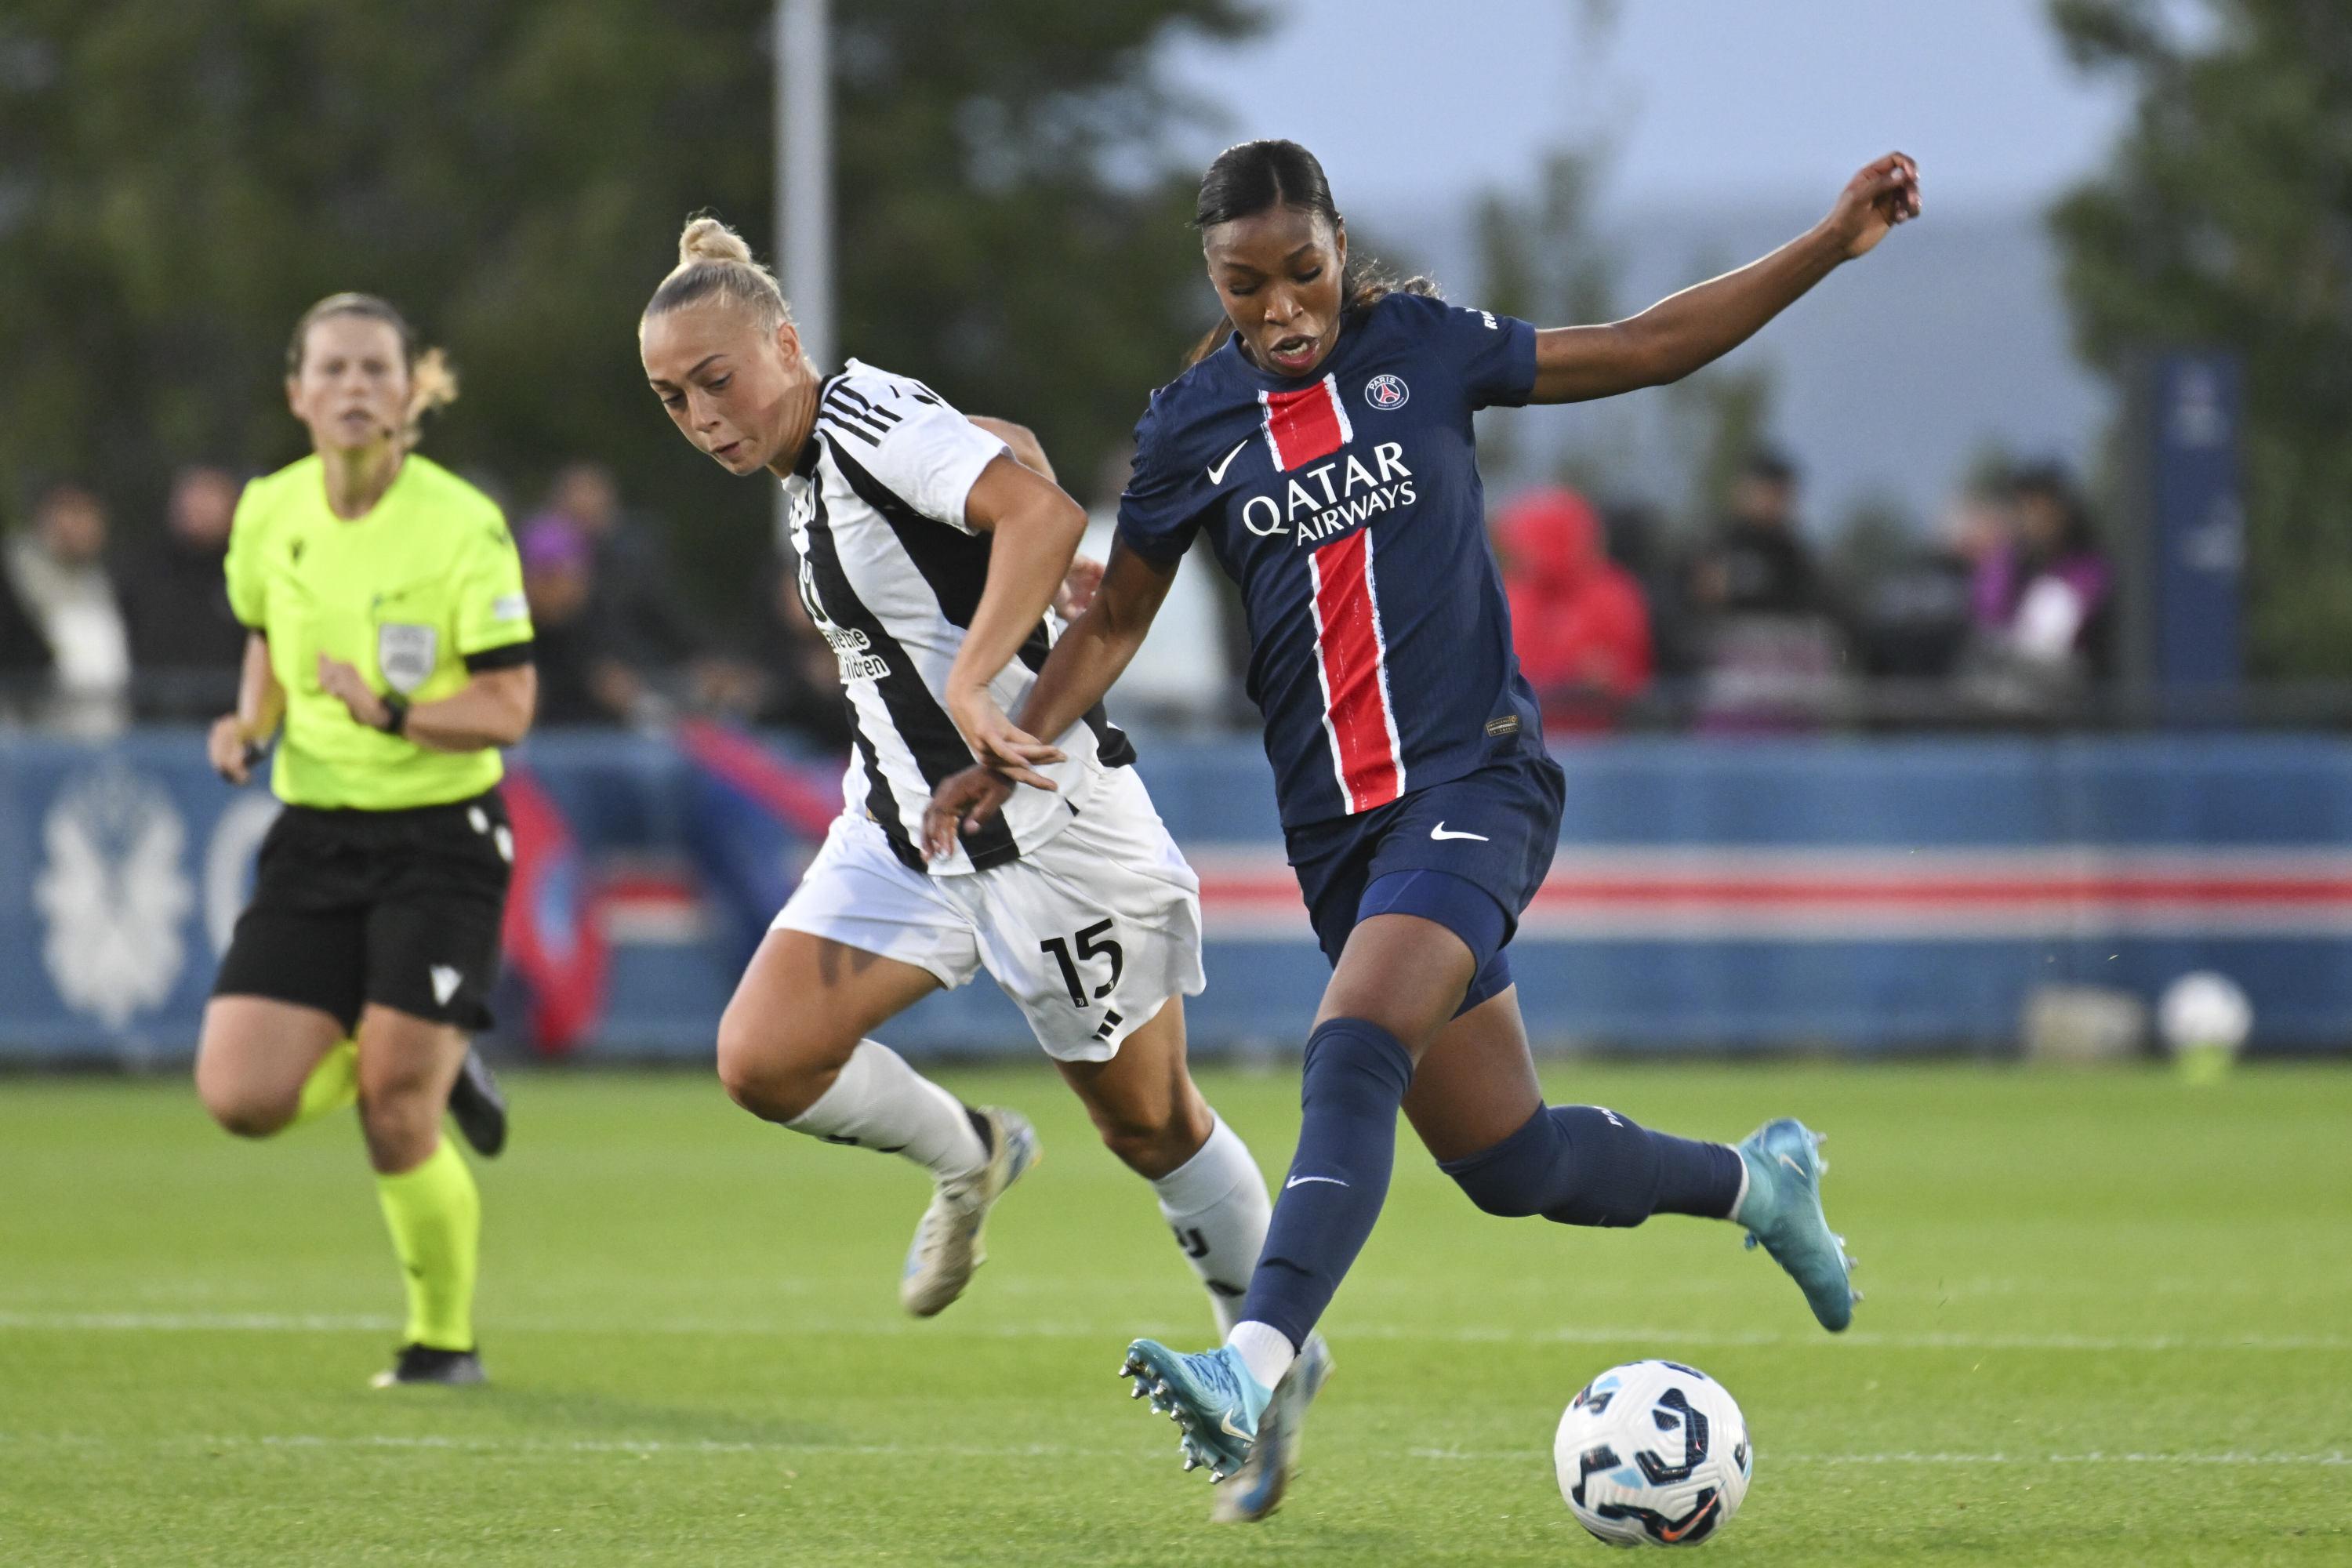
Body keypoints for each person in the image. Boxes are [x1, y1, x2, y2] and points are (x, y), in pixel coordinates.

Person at [926, 138, 1918, 1487]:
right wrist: (1006, 741)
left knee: (1351, 1047)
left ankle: (1253, 1363)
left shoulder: (1427, 351)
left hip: (1476, 781)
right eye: (1245, 284)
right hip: (1340, 837)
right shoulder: (1188, 430)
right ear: (1211, 281)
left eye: (1302, 272)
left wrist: (1823, 240)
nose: (1280, 308)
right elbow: (1113, 625)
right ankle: (1760, 1186)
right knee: (1511, 1162)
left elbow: (1644, 346)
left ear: (1339, 247)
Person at [635, 216, 1307, 1523]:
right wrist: (996, 624)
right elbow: (1010, 454)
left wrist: (975, 663)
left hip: (1043, 828)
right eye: (673, 399)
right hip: (906, 824)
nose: (703, 416)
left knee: (1149, 1125)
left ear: (784, 342)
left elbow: (1040, 510)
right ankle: (974, 1155)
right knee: (762, 1058)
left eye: (718, 380)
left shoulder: (861, 413)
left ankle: (1268, 1366)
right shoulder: (818, 452)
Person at [194, 293, 534, 1389]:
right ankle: (430, 1048)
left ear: (409, 394)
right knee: (240, 1101)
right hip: (317, 834)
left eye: (374, 369)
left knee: (395, 1113)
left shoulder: (461, 525)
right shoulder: (268, 512)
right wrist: (250, 723)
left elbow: (510, 707)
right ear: (297, 393)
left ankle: (443, 1342)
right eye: (330, 369)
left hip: (443, 836)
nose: (352, 387)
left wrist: (394, 714)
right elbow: (266, 640)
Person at [1494, 486, 1653, 734]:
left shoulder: (1611, 595)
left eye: (1529, 540)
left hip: (1601, 745)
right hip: (1522, 742)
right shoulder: (1509, 595)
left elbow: (1626, 678)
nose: (1521, 552)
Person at [118, 464, 250, 720]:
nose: (197, 506)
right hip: (150, 726)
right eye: (191, 494)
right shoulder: (142, 572)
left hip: (226, 726)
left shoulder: (247, 573)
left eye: (210, 495)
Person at [6, 481, 131, 735]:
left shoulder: (107, 581)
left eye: (87, 515)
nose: (78, 526)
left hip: (103, 735)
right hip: (31, 736)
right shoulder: (14, 577)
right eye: (69, 512)